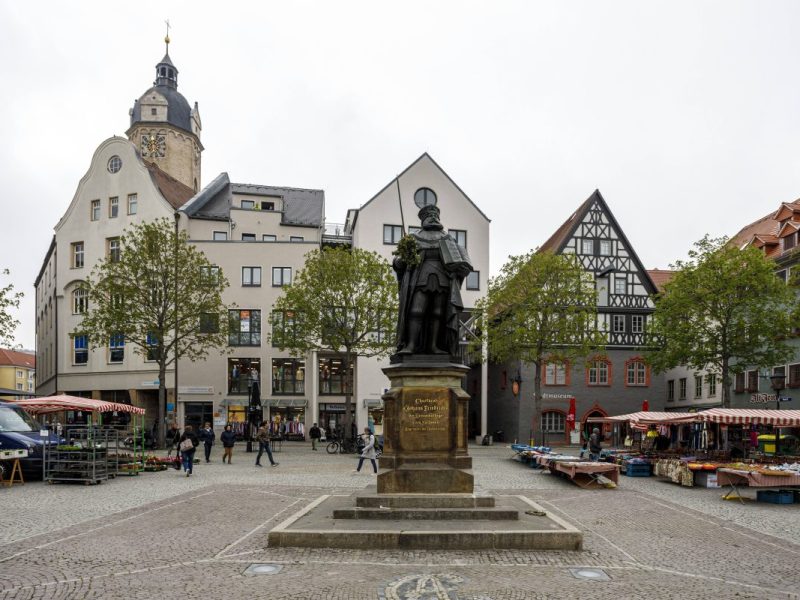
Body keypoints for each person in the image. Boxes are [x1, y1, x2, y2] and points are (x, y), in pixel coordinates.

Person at [393, 204, 472, 356]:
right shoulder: (413, 238)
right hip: (420, 279)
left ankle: (434, 346)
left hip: (442, 280)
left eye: (435, 215)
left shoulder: (448, 238)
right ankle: (410, 345)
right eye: (430, 216)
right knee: (416, 310)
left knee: (438, 313)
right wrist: (401, 260)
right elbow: (398, 261)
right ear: (423, 219)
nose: (433, 218)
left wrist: (460, 267)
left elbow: (460, 259)